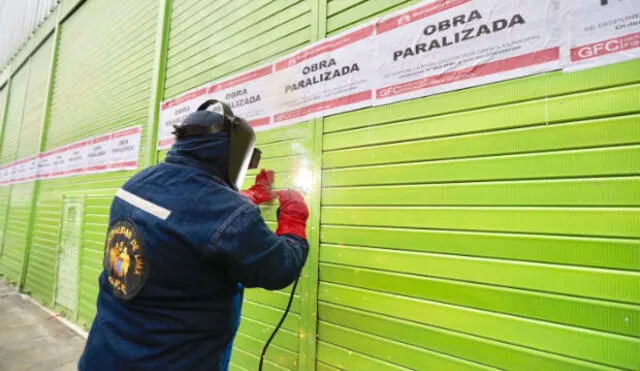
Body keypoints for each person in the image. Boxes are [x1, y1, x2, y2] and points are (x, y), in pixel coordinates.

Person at [78, 100, 310, 371]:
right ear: (233, 153)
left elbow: (186, 212)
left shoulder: (136, 185)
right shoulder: (225, 213)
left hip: (103, 355)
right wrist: (294, 218)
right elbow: (280, 267)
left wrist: (246, 198)